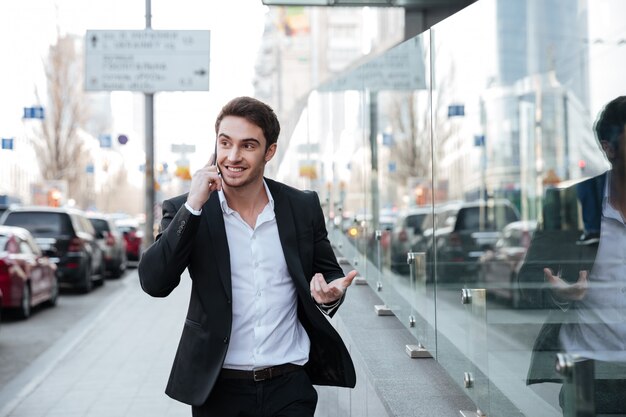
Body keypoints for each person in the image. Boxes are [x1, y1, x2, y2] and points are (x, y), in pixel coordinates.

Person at [138, 96, 357, 417]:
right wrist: (194, 206)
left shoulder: (301, 206)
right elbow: (154, 282)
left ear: (269, 151)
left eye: (248, 145)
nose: (233, 156)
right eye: (225, 143)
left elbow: (329, 278)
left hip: (289, 385)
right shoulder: (187, 210)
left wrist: (329, 296)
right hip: (218, 390)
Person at [520, 96, 626, 414]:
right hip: (592, 376)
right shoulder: (572, 204)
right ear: (609, 148)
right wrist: (561, 292)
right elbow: (527, 281)